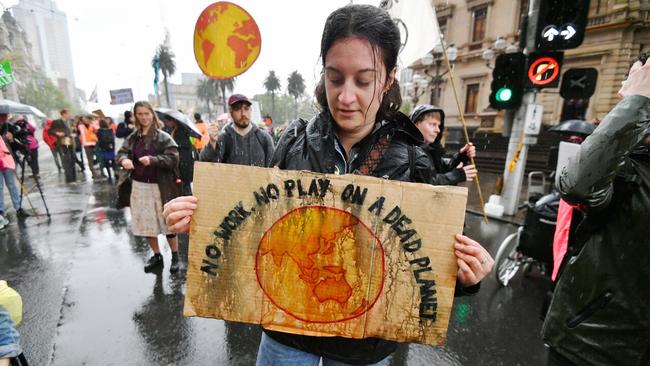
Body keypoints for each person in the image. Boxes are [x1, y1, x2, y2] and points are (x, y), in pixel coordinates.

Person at [163, 5, 493, 365]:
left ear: (389, 77)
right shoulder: (293, 141)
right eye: (335, 78)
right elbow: (257, 228)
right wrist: (204, 220)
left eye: (363, 81)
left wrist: (465, 275)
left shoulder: (415, 159)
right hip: (287, 338)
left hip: (363, 348)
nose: (346, 97)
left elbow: (429, 265)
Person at [542, 53, 650, 365]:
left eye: (634, 85)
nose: (621, 94)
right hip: (591, 343)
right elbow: (575, 184)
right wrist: (637, 102)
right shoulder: (623, 162)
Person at [116, 101, 181, 273]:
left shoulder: (163, 137)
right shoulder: (133, 137)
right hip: (139, 187)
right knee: (146, 223)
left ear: (153, 114)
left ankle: (175, 257)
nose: (144, 117)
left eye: (147, 113)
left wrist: (153, 160)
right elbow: (121, 152)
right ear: (135, 116)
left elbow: (174, 159)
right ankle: (157, 256)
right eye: (140, 114)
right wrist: (124, 160)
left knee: (168, 223)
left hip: (161, 187)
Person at [199, 94, 274, 167]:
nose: (243, 113)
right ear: (231, 113)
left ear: (251, 110)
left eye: (246, 108)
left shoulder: (264, 138)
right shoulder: (223, 139)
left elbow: (273, 169)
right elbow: (206, 164)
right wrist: (212, 142)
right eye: (238, 109)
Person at [410, 105, 477, 185]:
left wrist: (462, 156)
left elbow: (443, 169)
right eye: (432, 124)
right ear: (417, 124)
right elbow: (426, 183)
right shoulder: (411, 150)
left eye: (438, 125)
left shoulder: (430, 151)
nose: (438, 130)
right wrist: (457, 175)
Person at [161, 115, 196, 195]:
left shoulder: (182, 130)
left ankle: (187, 195)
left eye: (167, 122)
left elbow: (186, 144)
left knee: (185, 179)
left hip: (184, 158)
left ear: (172, 121)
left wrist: (175, 144)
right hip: (180, 158)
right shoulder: (174, 130)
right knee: (182, 180)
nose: (167, 124)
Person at [0, 134, 28, 223]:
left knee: (12, 185)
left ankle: (18, 207)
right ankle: (1, 212)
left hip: (6, 160)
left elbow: (11, 143)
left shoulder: (4, 129)